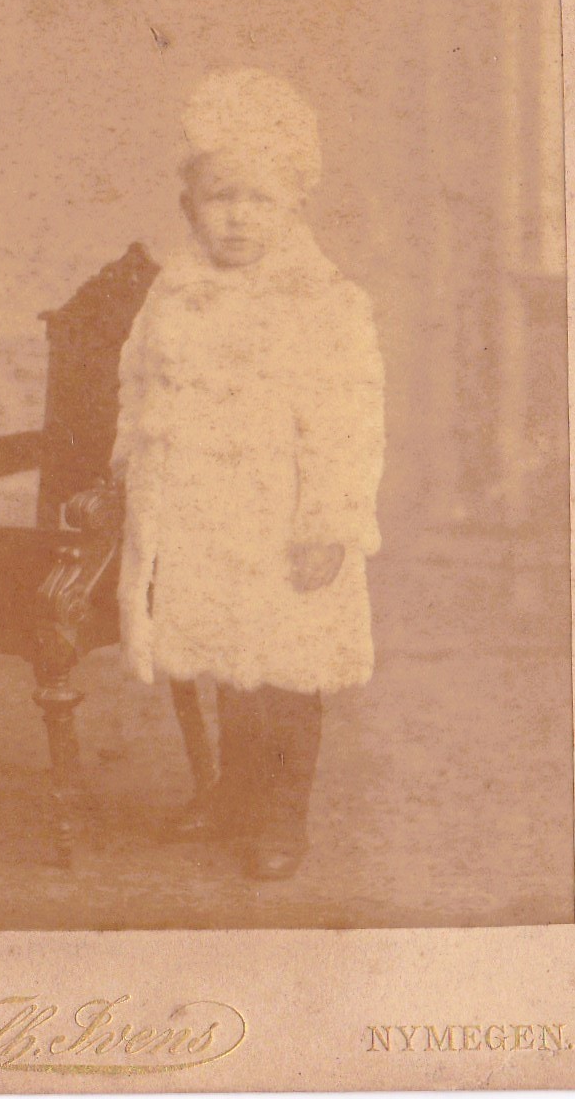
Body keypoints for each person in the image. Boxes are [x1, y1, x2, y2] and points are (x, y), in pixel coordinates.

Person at [111, 69, 385, 880]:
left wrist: (329, 523)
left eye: (259, 200)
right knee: (229, 659)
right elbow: (138, 387)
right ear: (189, 205)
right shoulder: (174, 295)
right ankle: (233, 794)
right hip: (201, 511)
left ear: (293, 206)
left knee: (287, 671)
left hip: (283, 515)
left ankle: (281, 816)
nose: (238, 216)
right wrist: (130, 471)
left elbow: (349, 422)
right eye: (220, 198)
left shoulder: (325, 302)